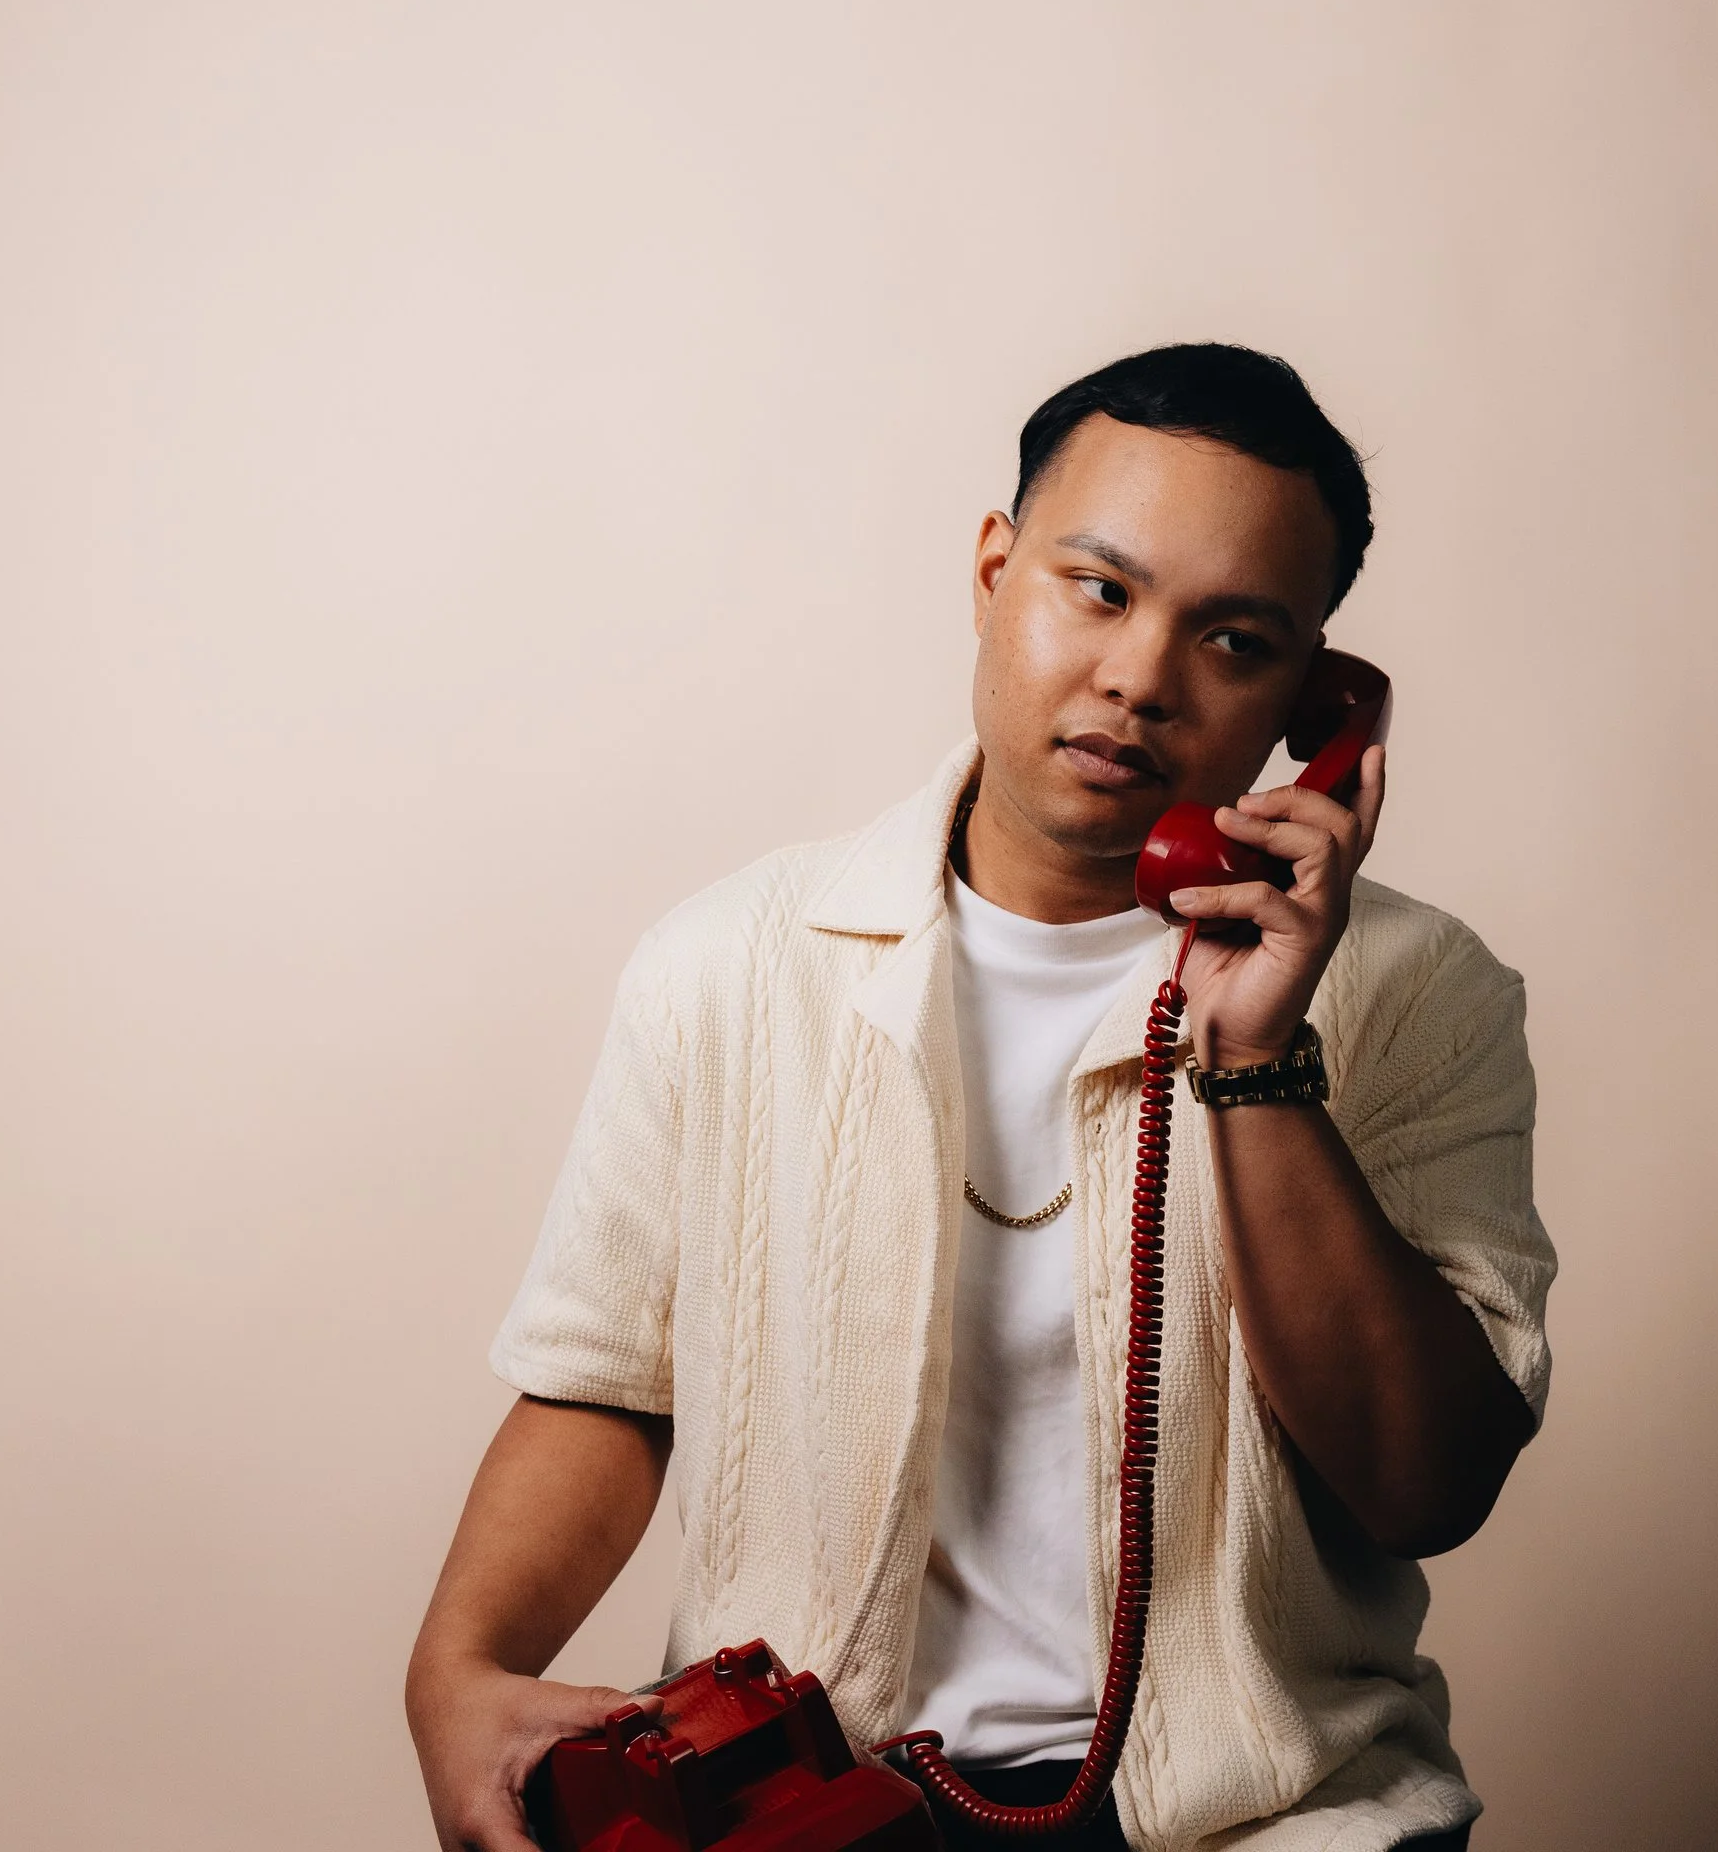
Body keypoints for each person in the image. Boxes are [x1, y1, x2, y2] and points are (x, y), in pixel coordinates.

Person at [405, 344, 1557, 1852]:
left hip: (1267, 1820)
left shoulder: (1426, 993)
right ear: (995, 573)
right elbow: (609, 1383)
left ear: (1310, 705)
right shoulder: (730, 963)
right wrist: (454, 1676)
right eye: (1098, 589)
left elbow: (1422, 1483)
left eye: (1232, 641)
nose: (1139, 674)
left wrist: (1258, 1054)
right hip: (824, 1802)